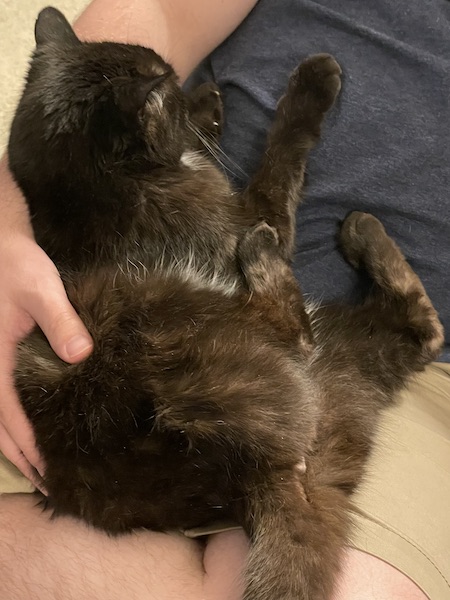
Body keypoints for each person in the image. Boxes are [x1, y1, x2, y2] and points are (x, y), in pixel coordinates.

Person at [0, 1, 449, 598]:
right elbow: (157, 9)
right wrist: (5, 228)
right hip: (164, 377)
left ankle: (401, 331)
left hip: (308, 372)